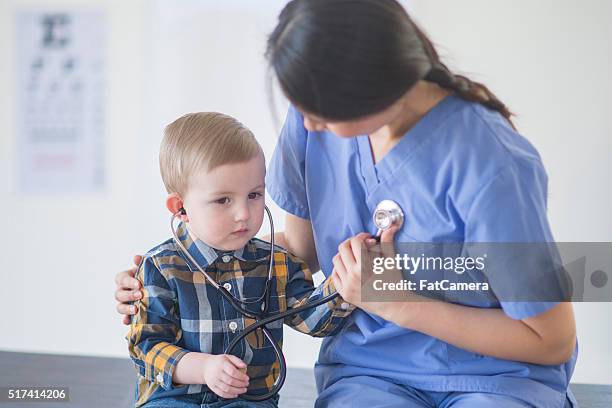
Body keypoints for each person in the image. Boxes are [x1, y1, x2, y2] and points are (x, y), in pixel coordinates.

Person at [117, 1, 578, 406]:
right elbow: (298, 252)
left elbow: (550, 340)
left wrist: (397, 302)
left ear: (376, 83)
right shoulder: (310, 120)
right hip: (372, 374)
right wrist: (175, 275)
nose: (310, 124)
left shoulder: (492, 163)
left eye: (321, 110)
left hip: (495, 378)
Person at [126, 112, 353, 407]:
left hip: (249, 401)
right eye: (223, 200)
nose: (243, 213)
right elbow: (147, 349)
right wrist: (203, 368)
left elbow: (314, 319)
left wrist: (346, 282)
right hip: (176, 399)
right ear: (180, 208)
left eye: (254, 195)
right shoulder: (161, 269)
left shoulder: (276, 264)